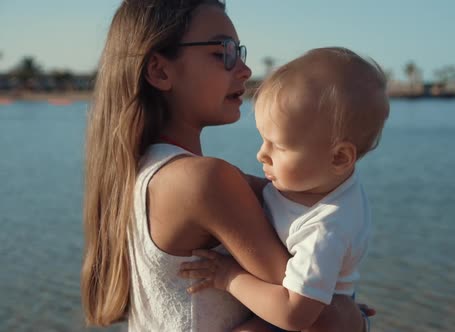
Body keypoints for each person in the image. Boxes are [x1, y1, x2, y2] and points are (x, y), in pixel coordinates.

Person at [81, 0, 368, 331]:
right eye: (224, 52)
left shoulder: (137, 172)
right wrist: (354, 317)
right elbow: (315, 315)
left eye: (240, 52)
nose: (245, 70)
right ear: (161, 71)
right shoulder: (205, 180)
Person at [180, 47, 389, 332]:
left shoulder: (326, 230)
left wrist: (229, 277)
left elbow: (294, 315)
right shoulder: (320, 181)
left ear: (339, 157)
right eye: (264, 140)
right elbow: (271, 195)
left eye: (278, 146)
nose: (261, 155)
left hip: (309, 312)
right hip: (312, 296)